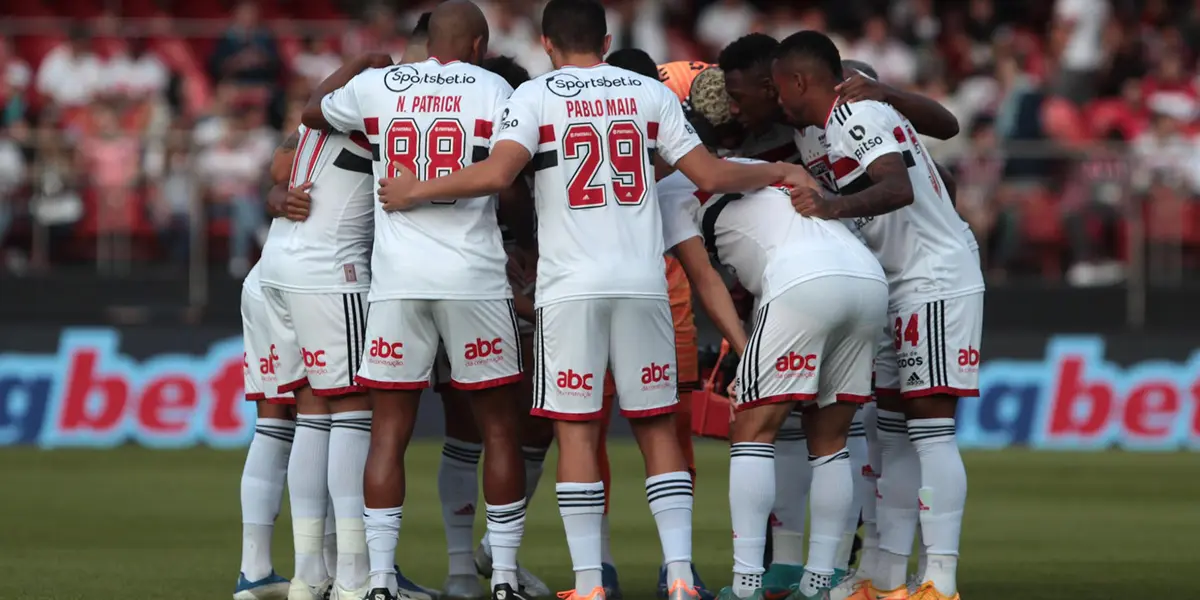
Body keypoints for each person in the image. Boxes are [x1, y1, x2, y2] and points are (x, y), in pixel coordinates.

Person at [373, 2, 810, 600]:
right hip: (641, 284)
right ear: (605, 40)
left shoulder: (534, 98)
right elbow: (708, 171)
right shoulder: (645, 93)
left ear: (547, 44)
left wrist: (415, 188)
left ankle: (588, 584)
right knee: (658, 429)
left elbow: (499, 175)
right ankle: (680, 576)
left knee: (576, 433)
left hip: (569, 290)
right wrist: (779, 174)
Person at [301, 3, 532, 600]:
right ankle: (503, 577)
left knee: (388, 433)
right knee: (501, 430)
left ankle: (376, 580)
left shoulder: (378, 86)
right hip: (474, 280)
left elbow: (310, 113)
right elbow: (510, 183)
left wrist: (360, 64)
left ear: (428, 38)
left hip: (397, 282)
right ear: (479, 43)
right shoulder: (496, 87)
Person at [774, 31, 983, 600]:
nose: (774, 98)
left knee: (932, 431)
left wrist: (833, 205)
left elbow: (898, 186)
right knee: (888, 432)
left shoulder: (854, 112)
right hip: (891, 281)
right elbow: (938, 166)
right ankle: (885, 576)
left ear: (799, 81)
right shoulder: (810, 130)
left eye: (777, 85)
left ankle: (940, 579)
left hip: (931, 280)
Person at [433, 54, 553, 600]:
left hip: (464, 289)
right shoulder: (506, 160)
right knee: (496, 427)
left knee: (521, 429)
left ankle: (479, 560)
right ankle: (484, 567)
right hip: (480, 294)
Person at [601, 48, 712, 600]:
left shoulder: (670, 155)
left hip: (629, 298)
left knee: (589, 436)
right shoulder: (672, 152)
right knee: (642, 438)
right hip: (659, 300)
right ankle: (672, 572)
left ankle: (622, 570)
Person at [256, 111, 376, 600]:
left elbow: (279, 165)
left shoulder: (320, 121)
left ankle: (308, 574)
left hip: (277, 270)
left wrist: (275, 193)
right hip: (330, 272)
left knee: (310, 412)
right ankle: (351, 576)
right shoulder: (389, 107)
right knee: (353, 410)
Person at [234, 258, 295, 600]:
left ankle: (254, 571)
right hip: (318, 280)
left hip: (264, 276)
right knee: (332, 422)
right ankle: (335, 573)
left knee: (273, 424)